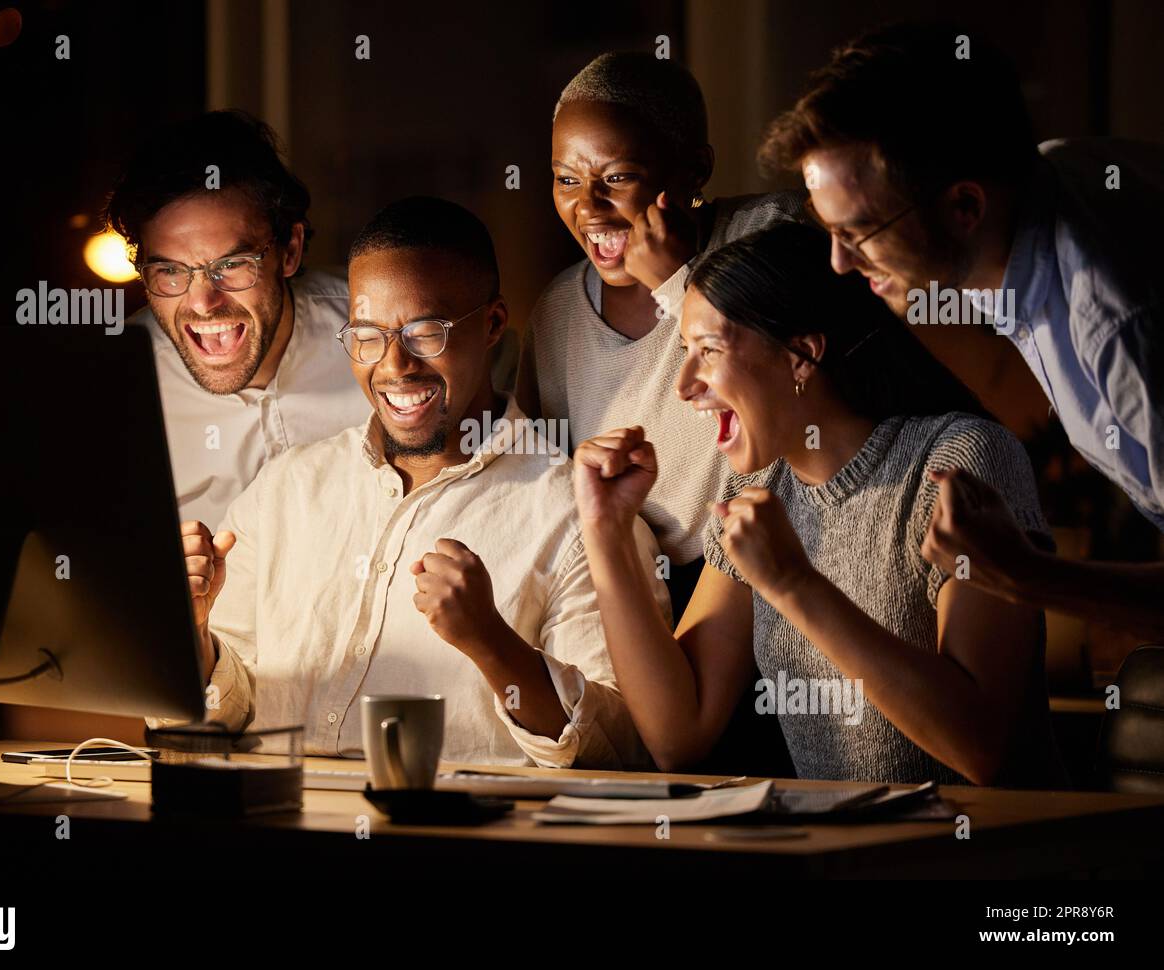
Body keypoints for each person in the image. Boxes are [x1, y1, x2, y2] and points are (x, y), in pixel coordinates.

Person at [176, 197, 663, 767]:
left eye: (425, 332)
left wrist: (492, 643)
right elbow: (222, 715)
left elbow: (620, 749)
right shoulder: (285, 489)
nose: (394, 365)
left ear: (493, 325)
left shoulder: (579, 515)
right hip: (277, 828)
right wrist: (195, 632)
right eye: (367, 335)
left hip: (453, 846)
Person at [573, 223, 1065, 786]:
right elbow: (677, 735)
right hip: (839, 856)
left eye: (708, 351)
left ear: (802, 356)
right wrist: (606, 531)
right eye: (685, 351)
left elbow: (983, 749)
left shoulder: (960, 460)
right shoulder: (757, 490)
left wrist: (794, 584)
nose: (685, 385)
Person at [759, 22, 1164, 641]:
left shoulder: (1113, 320)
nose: (839, 261)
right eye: (827, 228)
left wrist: (1024, 575)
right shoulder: (1053, 178)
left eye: (859, 232)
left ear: (965, 207)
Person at [517, 51, 803, 613]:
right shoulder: (558, 312)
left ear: (695, 169)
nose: (588, 208)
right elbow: (541, 483)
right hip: (621, 586)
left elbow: (778, 386)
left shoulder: (770, 232)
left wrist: (676, 280)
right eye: (566, 180)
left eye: (618, 177)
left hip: (766, 573)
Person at [104, 110, 369, 529]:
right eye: (170, 271)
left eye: (231, 264)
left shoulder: (381, 330)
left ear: (290, 250)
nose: (203, 303)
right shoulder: (114, 384)